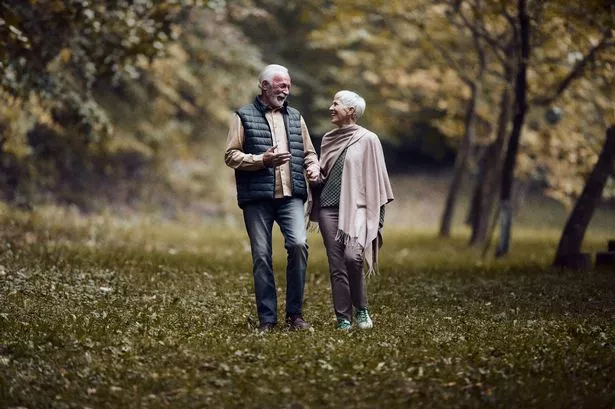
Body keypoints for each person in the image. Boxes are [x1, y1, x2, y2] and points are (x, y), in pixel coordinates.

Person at [225, 64, 320, 332]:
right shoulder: (242, 116)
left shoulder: (296, 117)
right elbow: (231, 155)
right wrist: (261, 160)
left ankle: (295, 316)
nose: (285, 90)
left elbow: (309, 153)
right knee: (262, 256)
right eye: (280, 85)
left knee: (299, 244)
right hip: (257, 199)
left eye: (288, 86)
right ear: (264, 86)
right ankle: (267, 319)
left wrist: (312, 166)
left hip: (291, 197)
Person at [308, 90, 394, 330]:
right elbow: (322, 177)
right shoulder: (328, 139)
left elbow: (378, 183)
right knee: (336, 264)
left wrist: (377, 221)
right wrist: (313, 174)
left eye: (336, 104)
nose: (330, 108)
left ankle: (362, 310)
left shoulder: (369, 140)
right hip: (328, 209)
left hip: (357, 211)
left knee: (352, 257)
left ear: (351, 111)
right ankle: (343, 318)